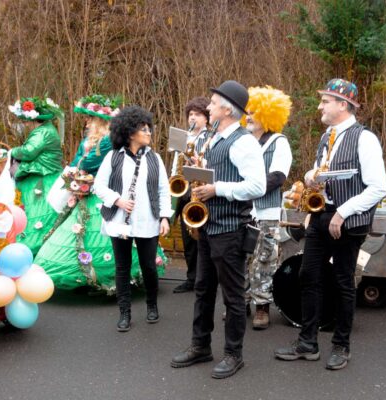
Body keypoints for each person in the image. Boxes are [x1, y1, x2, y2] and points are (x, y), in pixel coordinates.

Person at [274, 79, 386, 371]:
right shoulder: (327, 136)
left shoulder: (365, 138)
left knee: (343, 282)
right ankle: (307, 343)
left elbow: (378, 187)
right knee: (308, 275)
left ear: (343, 105)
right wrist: (312, 176)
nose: (320, 106)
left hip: (348, 221)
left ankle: (341, 346)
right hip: (322, 215)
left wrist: (343, 213)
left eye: (325, 101)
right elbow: (324, 172)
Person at [171, 80, 265, 379]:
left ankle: (233, 354)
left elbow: (257, 186)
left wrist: (216, 188)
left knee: (233, 296)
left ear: (227, 109)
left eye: (212, 103)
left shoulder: (244, 141)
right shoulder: (213, 137)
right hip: (208, 227)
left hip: (230, 228)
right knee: (203, 289)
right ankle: (201, 346)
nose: (207, 107)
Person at [34, 95, 168, 293]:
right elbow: (78, 161)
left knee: (107, 235)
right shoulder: (90, 140)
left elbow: (87, 163)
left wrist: (79, 162)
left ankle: (120, 282)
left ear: (98, 121)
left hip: (102, 193)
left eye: (90, 118)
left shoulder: (106, 143)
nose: (87, 122)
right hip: (90, 191)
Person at [94, 106, 172, 330]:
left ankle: (152, 305)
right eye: (143, 129)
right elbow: (98, 186)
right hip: (119, 221)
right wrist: (117, 200)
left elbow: (163, 190)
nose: (149, 132)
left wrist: (165, 217)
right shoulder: (113, 157)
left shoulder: (155, 158)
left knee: (149, 266)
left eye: (149, 128)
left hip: (148, 220)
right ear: (129, 133)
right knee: (122, 267)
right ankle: (124, 312)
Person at [243, 86, 292, 329]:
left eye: (254, 112)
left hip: (267, 213)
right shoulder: (242, 141)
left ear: (269, 114)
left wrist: (250, 188)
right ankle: (240, 303)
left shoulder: (278, 142)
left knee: (264, 260)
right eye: (248, 112)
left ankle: (262, 307)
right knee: (240, 258)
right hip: (241, 212)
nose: (249, 116)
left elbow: (278, 176)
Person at [8, 97, 64, 256]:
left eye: (26, 121)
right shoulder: (44, 129)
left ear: (34, 119)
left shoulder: (43, 131)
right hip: (39, 176)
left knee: (39, 214)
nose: (25, 124)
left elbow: (28, 151)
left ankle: (33, 249)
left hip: (43, 179)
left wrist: (12, 152)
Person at [172, 96, 211, 294]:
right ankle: (191, 277)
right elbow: (175, 163)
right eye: (190, 114)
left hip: (199, 188)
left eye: (197, 114)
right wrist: (174, 178)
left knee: (200, 237)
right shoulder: (182, 136)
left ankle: (203, 278)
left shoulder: (209, 138)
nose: (192, 118)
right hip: (182, 189)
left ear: (206, 117)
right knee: (187, 237)